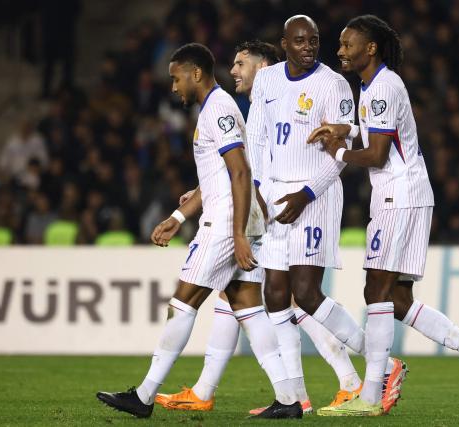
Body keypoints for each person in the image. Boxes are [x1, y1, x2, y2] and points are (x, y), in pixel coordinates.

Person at [307, 15, 459, 416]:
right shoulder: (374, 85)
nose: (340, 51)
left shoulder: (381, 88)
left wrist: (339, 151)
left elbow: (378, 154)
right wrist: (345, 129)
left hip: (397, 197)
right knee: (398, 300)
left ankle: (369, 398)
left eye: (348, 45)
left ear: (371, 48)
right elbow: (381, 135)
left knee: (375, 292)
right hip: (410, 194)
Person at [156, 40, 367, 414]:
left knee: (287, 299)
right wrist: (191, 204)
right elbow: (236, 169)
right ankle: (216, 390)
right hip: (260, 210)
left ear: (265, 67)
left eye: (241, 63)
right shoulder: (254, 109)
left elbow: (244, 171)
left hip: (272, 209)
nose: (234, 70)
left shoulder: (270, 105)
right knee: (242, 297)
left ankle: (346, 378)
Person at [95, 43, 302, 419]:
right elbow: (217, 177)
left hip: (226, 223)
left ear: (196, 74)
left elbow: (240, 172)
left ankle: (143, 396)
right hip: (236, 218)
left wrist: (238, 234)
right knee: (248, 307)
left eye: (176, 78)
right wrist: (178, 215)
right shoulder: (215, 109)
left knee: (183, 300)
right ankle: (288, 399)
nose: (174, 87)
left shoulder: (218, 109)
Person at [247, 15, 407, 415]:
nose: (309, 47)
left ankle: (382, 365)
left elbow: (335, 157)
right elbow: (257, 137)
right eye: (300, 41)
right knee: (275, 295)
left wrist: (305, 194)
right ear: (284, 43)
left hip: (314, 195)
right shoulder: (266, 81)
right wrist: (260, 192)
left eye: (314, 41)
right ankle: (292, 399)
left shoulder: (335, 85)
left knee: (306, 292)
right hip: (274, 193)